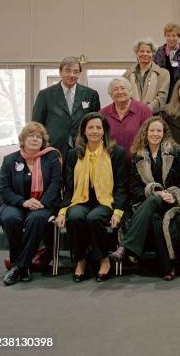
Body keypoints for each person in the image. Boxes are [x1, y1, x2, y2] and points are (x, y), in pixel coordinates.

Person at [111, 118, 180, 281]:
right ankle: (167, 268)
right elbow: (134, 189)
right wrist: (156, 192)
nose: (155, 134)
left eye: (159, 131)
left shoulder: (174, 151)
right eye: (152, 130)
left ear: (164, 133)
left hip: (172, 202)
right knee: (154, 215)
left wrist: (172, 194)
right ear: (145, 133)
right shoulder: (136, 156)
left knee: (155, 204)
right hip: (145, 203)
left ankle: (126, 246)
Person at [55, 112, 127, 282]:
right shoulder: (74, 154)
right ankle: (80, 261)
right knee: (75, 217)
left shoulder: (116, 153)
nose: (94, 131)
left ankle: (103, 259)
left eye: (98, 127)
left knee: (94, 218)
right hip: (80, 199)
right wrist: (63, 210)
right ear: (84, 131)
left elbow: (122, 186)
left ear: (104, 131)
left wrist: (117, 211)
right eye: (90, 127)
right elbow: (69, 187)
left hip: (106, 201)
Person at [0, 122, 62, 285]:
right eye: (31, 136)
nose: (35, 139)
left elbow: (56, 183)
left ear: (43, 141)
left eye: (39, 137)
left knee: (36, 219)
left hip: (42, 204)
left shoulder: (51, 157)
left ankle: (19, 266)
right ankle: (24, 265)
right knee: (10, 219)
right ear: (23, 139)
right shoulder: (10, 160)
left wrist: (42, 202)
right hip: (16, 203)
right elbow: (5, 190)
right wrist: (24, 202)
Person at [32, 56, 100, 160]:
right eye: (67, 71)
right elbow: (36, 125)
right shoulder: (45, 95)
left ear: (80, 73)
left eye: (76, 72)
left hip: (83, 148)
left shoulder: (91, 94)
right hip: (52, 149)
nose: (72, 75)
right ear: (60, 72)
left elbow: (96, 123)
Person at [99, 78, 153, 159]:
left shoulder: (144, 111)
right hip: (112, 161)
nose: (120, 92)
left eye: (123, 88)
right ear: (110, 94)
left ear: (130, 91)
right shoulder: (103, 113)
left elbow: (150, 136)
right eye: (115, 89)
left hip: (138, 161)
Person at [123, 38, 170, 114]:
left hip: (154, 117)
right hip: (131, 115)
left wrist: (145, 110)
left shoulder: (163, 74)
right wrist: (136, 111)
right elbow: (125, 96)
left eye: (148, 51)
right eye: (141, 51)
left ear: (153, 54)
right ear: (136, 53)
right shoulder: (127, 75)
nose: (145, 54)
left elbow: (161, 97)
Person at [153, 23, 180, 99]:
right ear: (165, 36)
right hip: (162, 89)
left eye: (174, 36)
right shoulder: (158, 52)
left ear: (179, 37)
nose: (171, 38)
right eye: (168, 35)